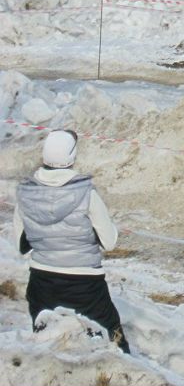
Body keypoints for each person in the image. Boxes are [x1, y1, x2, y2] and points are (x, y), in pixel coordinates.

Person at [13, 129, 130, 353]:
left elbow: (21, 245)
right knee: (113, 344)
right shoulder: (87, 193)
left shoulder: (25, 193)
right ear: (73, 157)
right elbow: (110, 241)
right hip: (85, 285)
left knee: (48, 346)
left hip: (42, 281)